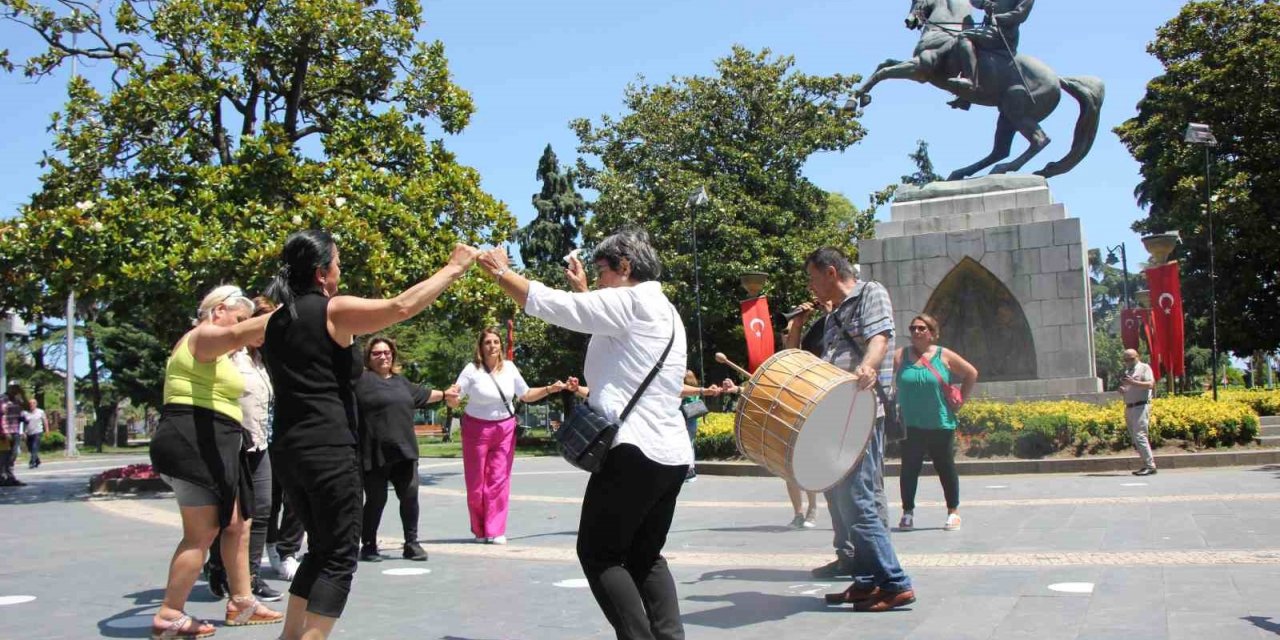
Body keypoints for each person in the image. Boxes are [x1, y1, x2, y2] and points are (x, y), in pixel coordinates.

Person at [263, 230, 478, 640]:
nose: (340, 272)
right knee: (341, 556)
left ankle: (290, 636)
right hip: (328, 447)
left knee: (322, 548)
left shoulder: (276, 320)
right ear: (322, 272)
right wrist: (453, 268)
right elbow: (400, 307)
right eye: (338, 264)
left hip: (289, 450)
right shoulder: (332, 310)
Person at [477, 229, 691, 639]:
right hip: (672, 452)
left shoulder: (630, 300)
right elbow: (609, 335)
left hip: (633, 451)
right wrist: (585, 291)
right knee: (645, 556)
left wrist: (502, 273)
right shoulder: (663, 308)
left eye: (602, 271)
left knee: (599, 554)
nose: (600, 280)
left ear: (625, 266)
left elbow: (555, 306)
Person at [148, 285, 283, 638]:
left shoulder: (223, 352)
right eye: (239, 319)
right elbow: (240, 334)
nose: (241, 330)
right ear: (219, 310)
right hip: (191, 437)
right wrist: (298, 312)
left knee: (239, 524)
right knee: (202, 533)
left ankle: (242, 602)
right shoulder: (204, 335)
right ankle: (169, 614)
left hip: (220, 440)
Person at [795, 247, 914, 612]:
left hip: (862, 411)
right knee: (846, 501)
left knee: (859, 498)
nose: (812, 288)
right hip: (837, 415)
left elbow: (880, 337)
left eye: (814, 279)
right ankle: (866, 580)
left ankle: (894, 582)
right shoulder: (833, 317)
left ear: (831, 273)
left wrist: (867, 366)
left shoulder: (870, 292)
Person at [446, 328, 568, 545]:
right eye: (487, 343)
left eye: (496, 342)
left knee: (498, 480)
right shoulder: (471, 370)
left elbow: (526, 394)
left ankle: (495, 529)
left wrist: (550, 389)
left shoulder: (510, 368)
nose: (492, 346)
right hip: (476, 429)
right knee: (476, 486)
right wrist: (451, 398)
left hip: (504, 429)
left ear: (500, 345)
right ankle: (480, 529)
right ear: (480, 347)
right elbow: (455, 398)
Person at [205, 296, 284, 602]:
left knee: (261, 509)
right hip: (231, 445)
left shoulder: (261, 361)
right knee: (227, 514)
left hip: (260, 443)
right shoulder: (227, 355)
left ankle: (251, 576)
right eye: (263, 326)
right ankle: (219, 565)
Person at [355, 336, 453, 561]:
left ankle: (411, 543)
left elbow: (426, 394)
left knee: (410, 497)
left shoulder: (401, 382)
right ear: (368, 358)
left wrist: (447, 394)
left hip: (404, 452)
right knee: (376, 500)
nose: (383, 356)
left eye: (387, 352)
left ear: (393, 355)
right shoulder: (360, 380)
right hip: (374, 453)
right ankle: (368, 544)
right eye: (376, 353)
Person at [894, 313, 978, 532]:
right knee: (909, 469)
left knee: (945, 468)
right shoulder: (900, 356)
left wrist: (961, 400)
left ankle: (953, 512)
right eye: (913, 328)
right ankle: (907, 513)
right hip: (911, 424)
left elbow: (971, 373)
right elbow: (881, 374)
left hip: (940, 422)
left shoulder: (943, 355)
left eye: (922, 328)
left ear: (932, 333)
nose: (916, 332)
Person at [946, 0, 1036, 109]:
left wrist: (998, 18)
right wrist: (984, 3)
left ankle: (971, 81)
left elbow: (1021, 14)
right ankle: (966, 96)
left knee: (964, 37)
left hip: (1004, 33)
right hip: (989, 28)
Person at [679, 370, 722, 483]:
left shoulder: (686, 389)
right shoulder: (695, 386)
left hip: (684, 418)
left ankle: (688, 470)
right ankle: (691, 469)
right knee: (690, 444)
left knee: (684, 444)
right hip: (693, 418)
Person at [1119, 348, 1157, 476]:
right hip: (1129, 407)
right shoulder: (1128, 371)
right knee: (1135, 438)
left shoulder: (1144, 367)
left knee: (1140, 436)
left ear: (1137, 357)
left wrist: (1133, 382)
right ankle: (1145, 464)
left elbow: (1150, 384)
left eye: (1131, 358)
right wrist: (1124, 389)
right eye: (1126, 359)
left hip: (1140, 406)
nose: (1128, 361)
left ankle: (1150, 466)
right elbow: (1130, 387)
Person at [2, 383, 27, 486]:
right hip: (5, 431)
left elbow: (27, 407)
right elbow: (1, 415)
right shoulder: (3, 399)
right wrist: (4, 431)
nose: (16, 390)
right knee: (4, 455)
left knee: (13, 455)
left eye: (17, 388)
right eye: (14, 388)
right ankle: (3, 477)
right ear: (9, 388)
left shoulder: (17, 400)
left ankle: (10, 477)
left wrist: (23, 394)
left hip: (15, 430)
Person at [22, 397, 46, 469]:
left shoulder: (40, 412)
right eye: (30, 403)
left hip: (38, 432)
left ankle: (32, 462)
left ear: (36, 404)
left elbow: (45, 421)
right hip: (29, 432)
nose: (31, 405)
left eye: (33, 403)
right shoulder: (25, 413)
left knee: (34, 447)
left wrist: (47, 430)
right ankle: (37, 460)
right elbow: (23, 423)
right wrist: (23, 432)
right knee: (30, 448)